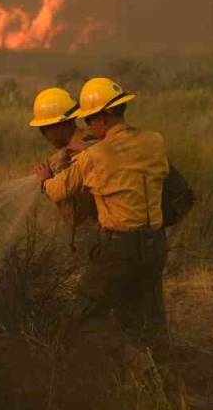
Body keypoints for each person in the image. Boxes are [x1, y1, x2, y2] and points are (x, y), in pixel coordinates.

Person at [34, 77, 170, 341]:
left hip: (120, 248)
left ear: (103, 118)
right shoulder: (154, 140)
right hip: (156, 245)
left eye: (89, 120)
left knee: (84, 315)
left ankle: (130, 361)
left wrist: (43, 181)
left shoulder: (95, 155)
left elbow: (57, 190)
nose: (87, 126)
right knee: (149, 319)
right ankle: (159, 371)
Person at [28, 88, 100, 252]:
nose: (43, 135)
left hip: (103, 236)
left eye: (44, 129)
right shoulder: (69, 152)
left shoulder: (87, 146)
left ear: (60, 125)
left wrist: (47, 183)